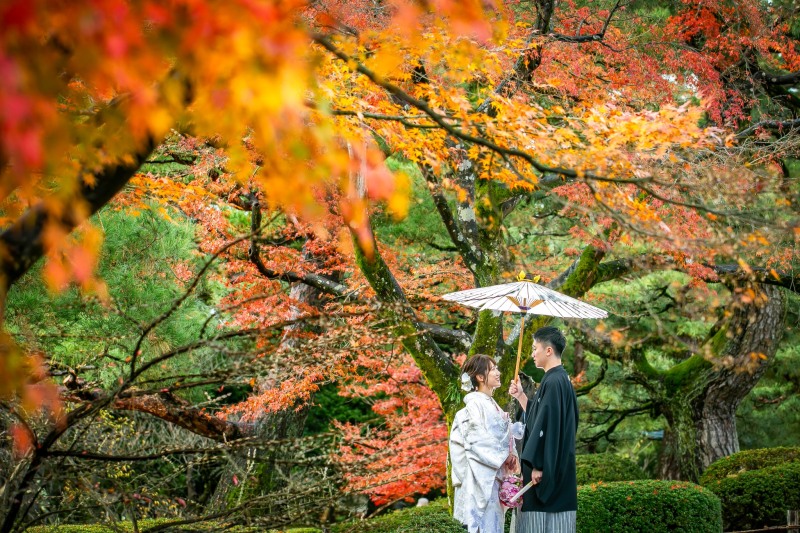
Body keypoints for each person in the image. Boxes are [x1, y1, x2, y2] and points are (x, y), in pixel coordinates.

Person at [508, 327, 578, 533]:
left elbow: (547, 427)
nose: (532, 353)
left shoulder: (554, 381)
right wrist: (521, 396)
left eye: (534, 348)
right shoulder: (559, 379)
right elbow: (541, 418)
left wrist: (539, 464)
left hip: (544, 472)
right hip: (556, 467)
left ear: (548, 350)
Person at [450, 354, 523, 533]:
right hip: (479, 481)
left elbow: (501, 438)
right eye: (493, 369)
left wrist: (510, 454)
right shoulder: (475, 405)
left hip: (491, 478)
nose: (498, 372)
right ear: (480, 377)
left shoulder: (490, 404)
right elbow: (477, 442)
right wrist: (504, 455)